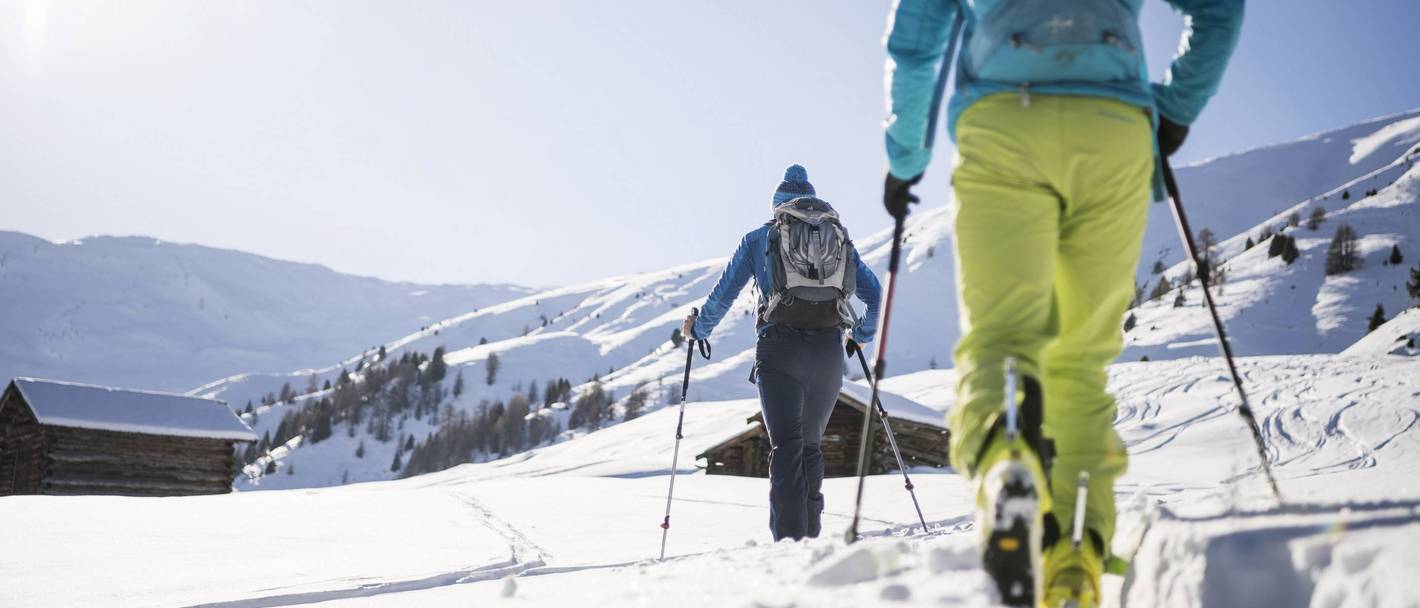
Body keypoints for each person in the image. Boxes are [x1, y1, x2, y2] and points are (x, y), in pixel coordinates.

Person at [881, 1, 1243, 605]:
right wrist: (1175, 112)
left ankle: (1005, 461)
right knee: (1078, 363)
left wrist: (905, 157)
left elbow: (920, 34)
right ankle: (1075, 559)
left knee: (1000, 340)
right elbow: (1218, 8)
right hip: (1113, 125)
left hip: (1002, 126)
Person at [683, 164, 883, 542]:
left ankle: (790, 548)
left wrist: (699, 328)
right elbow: (874, 296)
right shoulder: (836, 240)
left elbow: (723, 295)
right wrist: (860, 334)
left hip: (780, 349)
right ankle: (810, 542)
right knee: (810, 447)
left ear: (778, 207)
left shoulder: (761, 238)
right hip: (827, 351)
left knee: (787, 447)